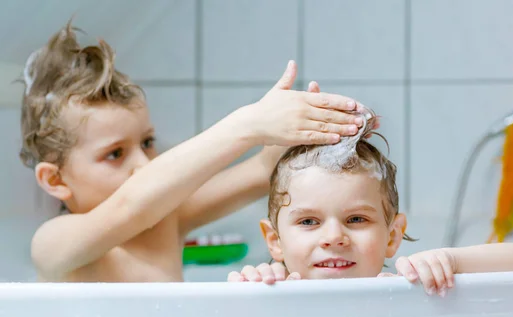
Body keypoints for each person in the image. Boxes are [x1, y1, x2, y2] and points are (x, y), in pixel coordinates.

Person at [21, 21, 367, 282]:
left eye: (147, 142)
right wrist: (248, 124)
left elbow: (262, 173)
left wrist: (317, 130)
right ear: (54, 178)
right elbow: (131, 207)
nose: (143, 163)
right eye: (115, 154)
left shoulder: (168, 220)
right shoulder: (53, 243)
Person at [227, 108, 513, 296]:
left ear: (393, 235)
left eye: (356, 219)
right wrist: (253, 293)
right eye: (308, 222)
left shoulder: (407, 289)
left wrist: (451, 261)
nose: (333, 237)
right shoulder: (274, 294)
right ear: (274, 240)